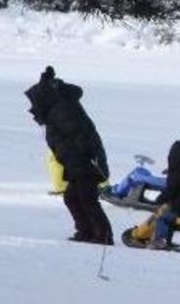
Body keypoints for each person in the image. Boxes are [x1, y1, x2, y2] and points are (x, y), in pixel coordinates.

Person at [24, 66, 113, 245]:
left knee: (87, 198)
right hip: (76, 164)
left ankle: (102, 235)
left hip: (85, 163)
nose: (33, 108)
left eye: (35, 103)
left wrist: (81, 160)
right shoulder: (57, 109)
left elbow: (79, 137)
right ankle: (86, 231)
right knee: (72, 197)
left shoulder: (63, 110)